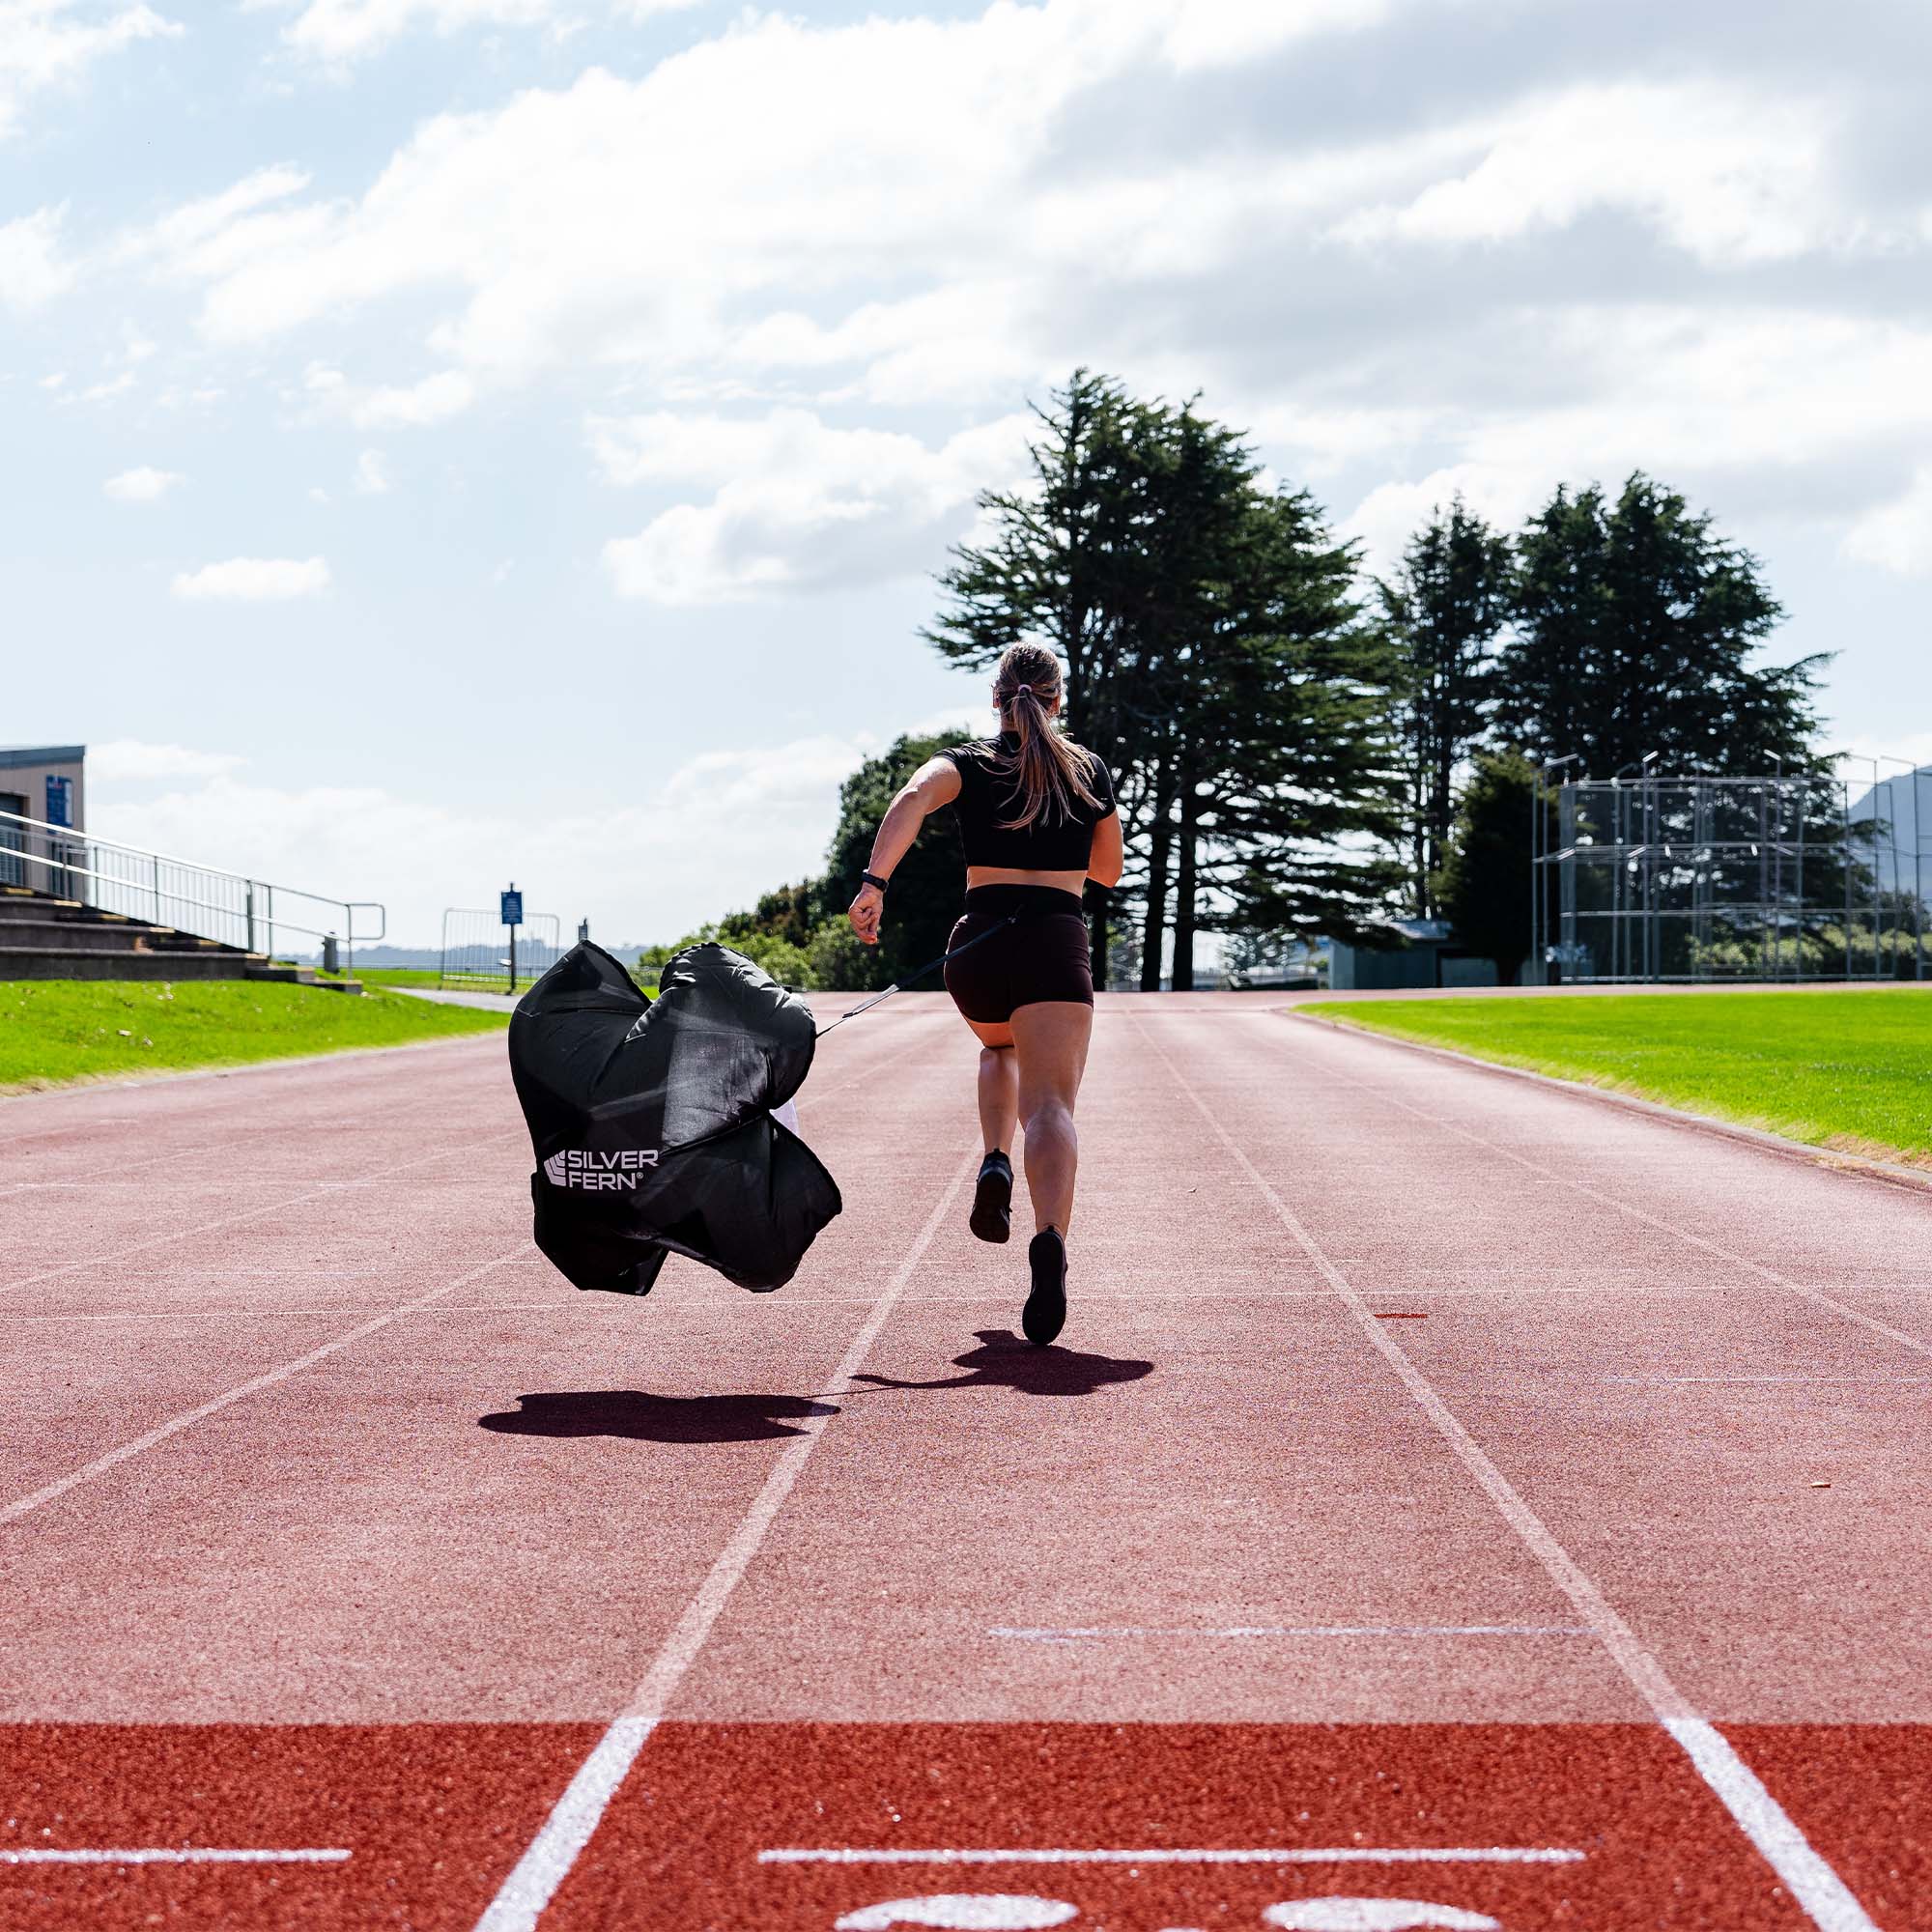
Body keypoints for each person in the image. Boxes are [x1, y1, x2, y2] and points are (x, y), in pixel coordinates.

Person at [846, 642, 1122, 1346]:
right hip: (1055, 939)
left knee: (998, 1047)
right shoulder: (1087, 769)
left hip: (979, 943)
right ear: (1058, 699)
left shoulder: (964, 760)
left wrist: (875, 884)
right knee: (1053, 1103)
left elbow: (911, 798)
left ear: (995, 700)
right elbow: (1110, 872)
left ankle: (994, 1157)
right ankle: (1050, 1240)